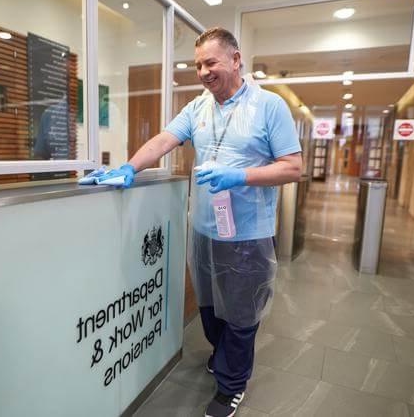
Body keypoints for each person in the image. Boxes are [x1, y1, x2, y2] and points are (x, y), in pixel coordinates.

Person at [99, 27, 302, 417]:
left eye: (211, 62)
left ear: (236, 59)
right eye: (197, 65)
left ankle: (231, 385)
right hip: (205, 231)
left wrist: (240, 176)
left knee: (242, 314)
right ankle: (222, 356)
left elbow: (293, 168)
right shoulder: (198, 107)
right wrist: (129, 166)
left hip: (248, 235)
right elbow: (163, 140)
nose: (203, 71)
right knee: (210, 307)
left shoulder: (269, 106)